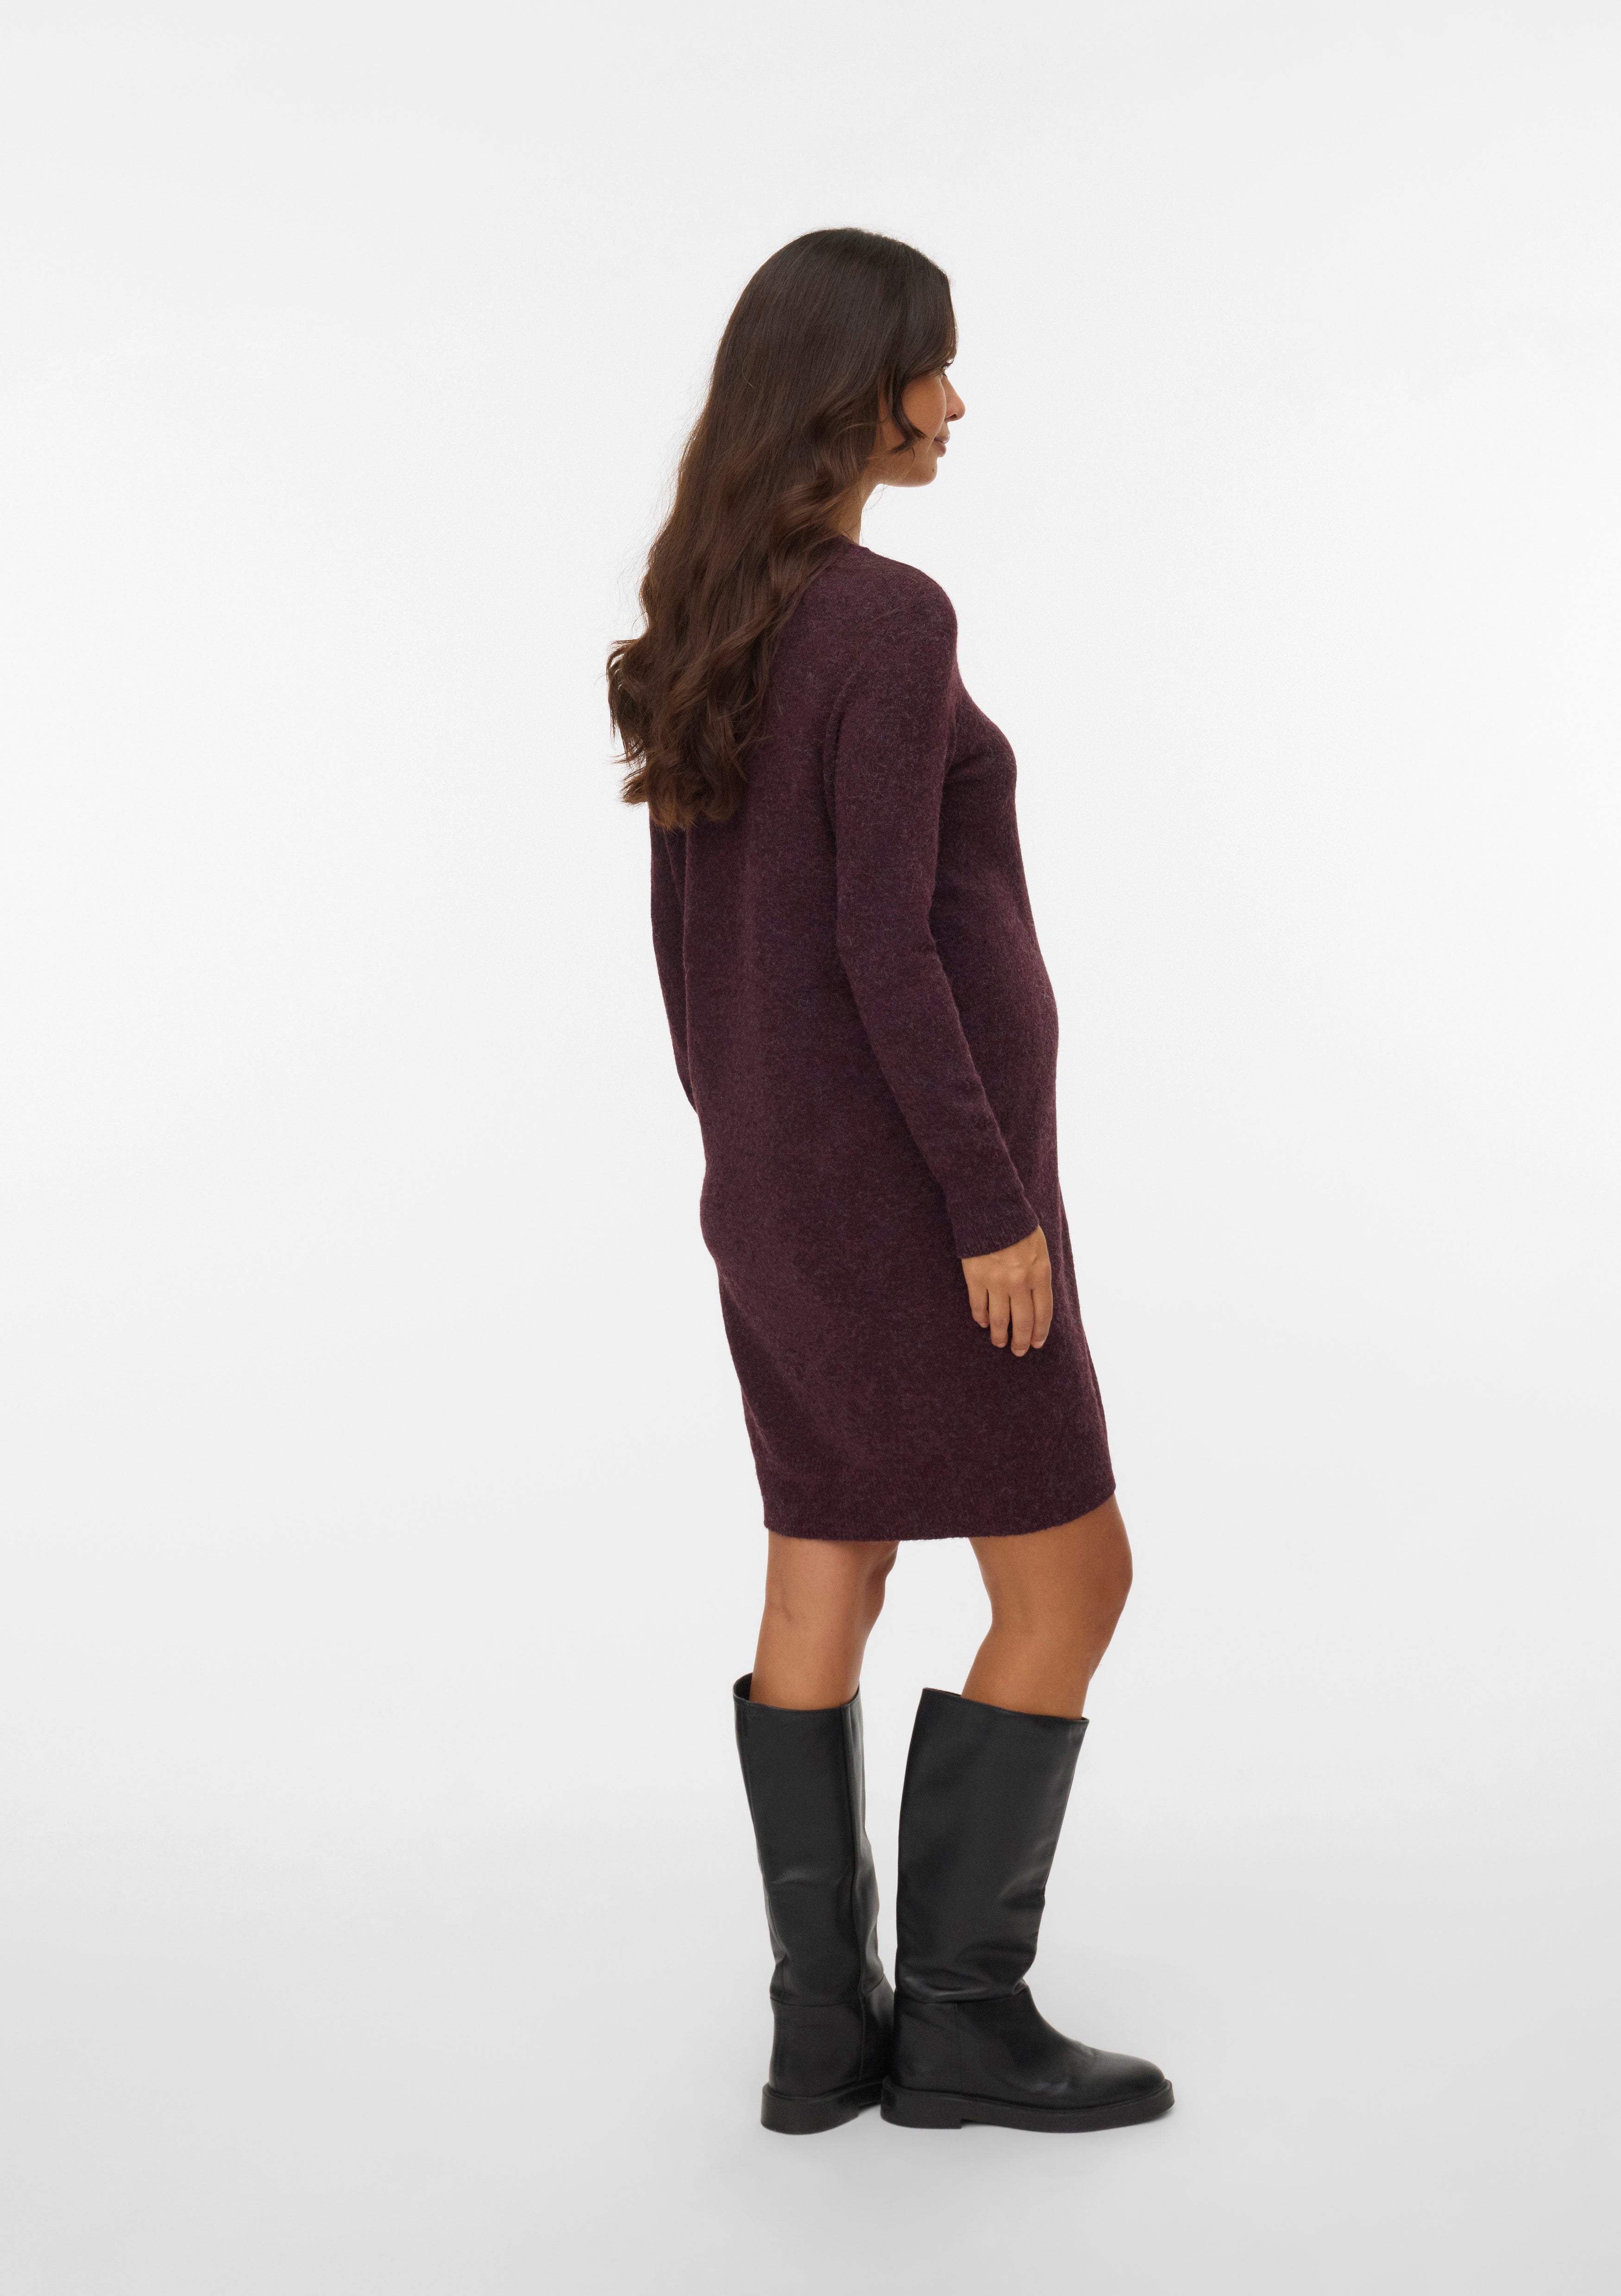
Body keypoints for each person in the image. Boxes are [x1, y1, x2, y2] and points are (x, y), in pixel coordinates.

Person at [608, 228, 1172, 2137]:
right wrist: (988, 1202)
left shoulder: (712, 614)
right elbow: (885, 942)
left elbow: (688, 953)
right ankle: (958, 2018)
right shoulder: (886, 617)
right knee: (1075, 1575)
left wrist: (749, 1160)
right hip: (928, 1205)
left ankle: (818, 2036)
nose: (954, 404)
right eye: (932, 368)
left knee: (825, 1557)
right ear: (855, 391)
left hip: (781, 1193)